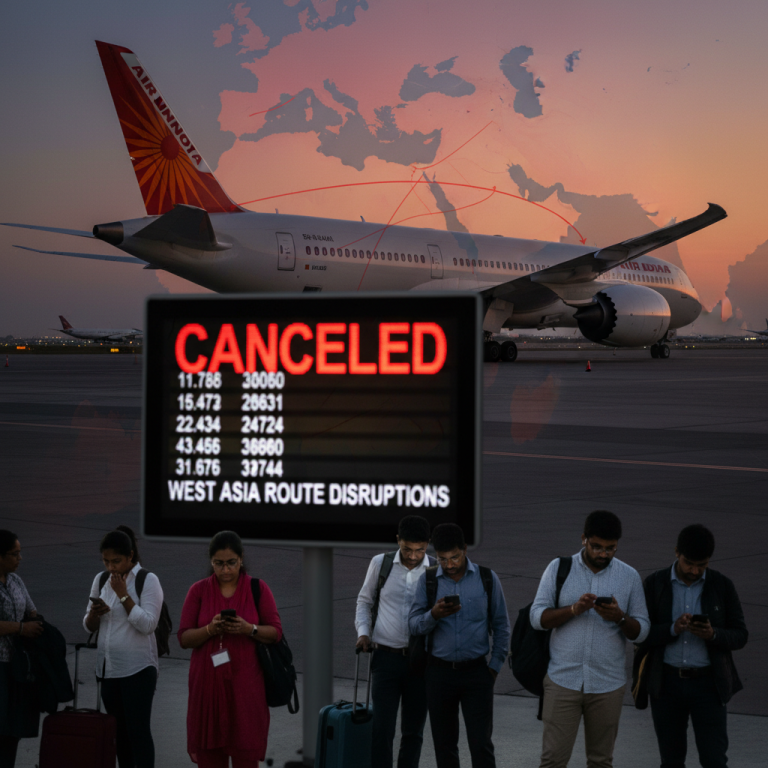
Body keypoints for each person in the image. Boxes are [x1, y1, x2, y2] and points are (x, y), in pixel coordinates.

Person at [530, 510, 650, 768]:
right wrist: (573, 610)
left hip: (607, 685)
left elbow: (642, 631)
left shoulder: (629, 576)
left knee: (601, 761)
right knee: (552, 761)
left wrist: (619, 617)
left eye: (610, 548)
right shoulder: (559, 568)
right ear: (583, 539)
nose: (603, 554)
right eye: (596, 547)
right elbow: (537, 617)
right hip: (563, 680)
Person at [642, 524, 748, 768]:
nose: (695, 570)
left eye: (702, 565)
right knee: (671, 760)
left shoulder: (721, 585)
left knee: (714, 760)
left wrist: (713, 634)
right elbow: (640, 634)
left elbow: (740, 635)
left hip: (709, 686)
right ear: (676, 552)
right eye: (689, 563)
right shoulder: (655, 584)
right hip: (667, 684)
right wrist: (672, 629)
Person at [408, 523, 510, 768]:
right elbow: (413, 625)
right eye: (443, 559)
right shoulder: (428, 580)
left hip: (477, 674)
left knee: (481, 744)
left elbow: (502, 627)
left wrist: (493, 668)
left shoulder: (487, 578)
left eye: (454, 557)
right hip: (438, 674)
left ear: (465, 549)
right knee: (444, 746)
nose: (450, 564)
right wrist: (434, 614)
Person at [178, 530, 282, 768]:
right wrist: (209, 630)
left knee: (245, 754)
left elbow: (276, 632)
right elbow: (183, 638)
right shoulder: (198, 591)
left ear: (241, 559)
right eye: (219, 564)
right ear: (211, 561)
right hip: (207, 688)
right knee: (210, 758)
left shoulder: (258, 588)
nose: (225, 570)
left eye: (231, 563)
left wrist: (249, 629)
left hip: (246, 689)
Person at [355, 515, 435, 768]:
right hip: (385, 658)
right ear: (398, 541)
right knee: (382, 729)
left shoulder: (434, 570)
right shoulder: (381, 563)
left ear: (428, 545)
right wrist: (363, 633)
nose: (413, 556)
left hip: (419, 661)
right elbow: (364, 601)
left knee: (413, 732)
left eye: (420, 550)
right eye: (407, 549)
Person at [84, 525, 164, 768]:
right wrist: (95, 614)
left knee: (138, 733)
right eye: (106, 561)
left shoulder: (147, 580)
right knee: (119, 735)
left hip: (138, 670)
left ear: (130, 556)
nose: (111, 567)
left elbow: (148, 624)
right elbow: (88, 626)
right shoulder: (101, 579)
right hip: (109, 671)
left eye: (116, 561)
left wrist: (123, 595)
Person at [0, 530, 43, 767]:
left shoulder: (16, 581)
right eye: (14, 554)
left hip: (16, 666)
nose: (20, 558)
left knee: (13, 727)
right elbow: (23, 624)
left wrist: (32, 623)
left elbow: (32, 611)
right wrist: (20, 628)